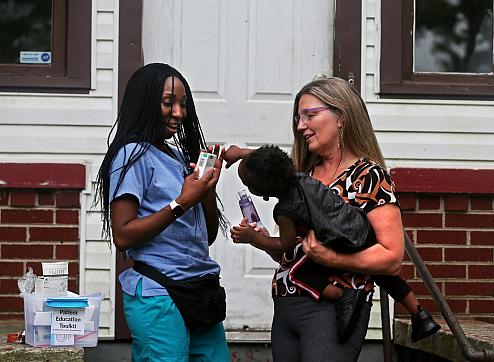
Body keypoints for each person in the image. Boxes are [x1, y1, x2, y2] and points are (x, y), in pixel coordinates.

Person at [226, 77, 439, 361]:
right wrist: (260, 239)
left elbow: (391, 258)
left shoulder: (368, 176)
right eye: (298, 118)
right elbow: (292, 254)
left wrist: (333, 259)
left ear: (340, 117)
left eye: (310, 115)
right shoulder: (303, 176)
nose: (301, 126)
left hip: (335, 308)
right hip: (288, 305)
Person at [231, 144, 440, 344]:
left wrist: (254, 237)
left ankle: (343, 297)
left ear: (264, 193)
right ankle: (419, 314)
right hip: (360, 226)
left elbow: (285, 245)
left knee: (301, 272)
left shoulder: (285, 210)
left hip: (340, 242)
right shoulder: (299, 176)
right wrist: (241, 153)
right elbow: (270, 160)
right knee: (385, 276)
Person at [95, 63, 230, 361]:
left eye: (183, 104)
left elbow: (206, 236)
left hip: (199, 289)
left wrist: (206, 189)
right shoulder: (131, 155)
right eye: (169, 103)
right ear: (145, 101)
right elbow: (123, 234)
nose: (179, 113)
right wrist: (181, 202)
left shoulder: (180, 157)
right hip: (160, 293)